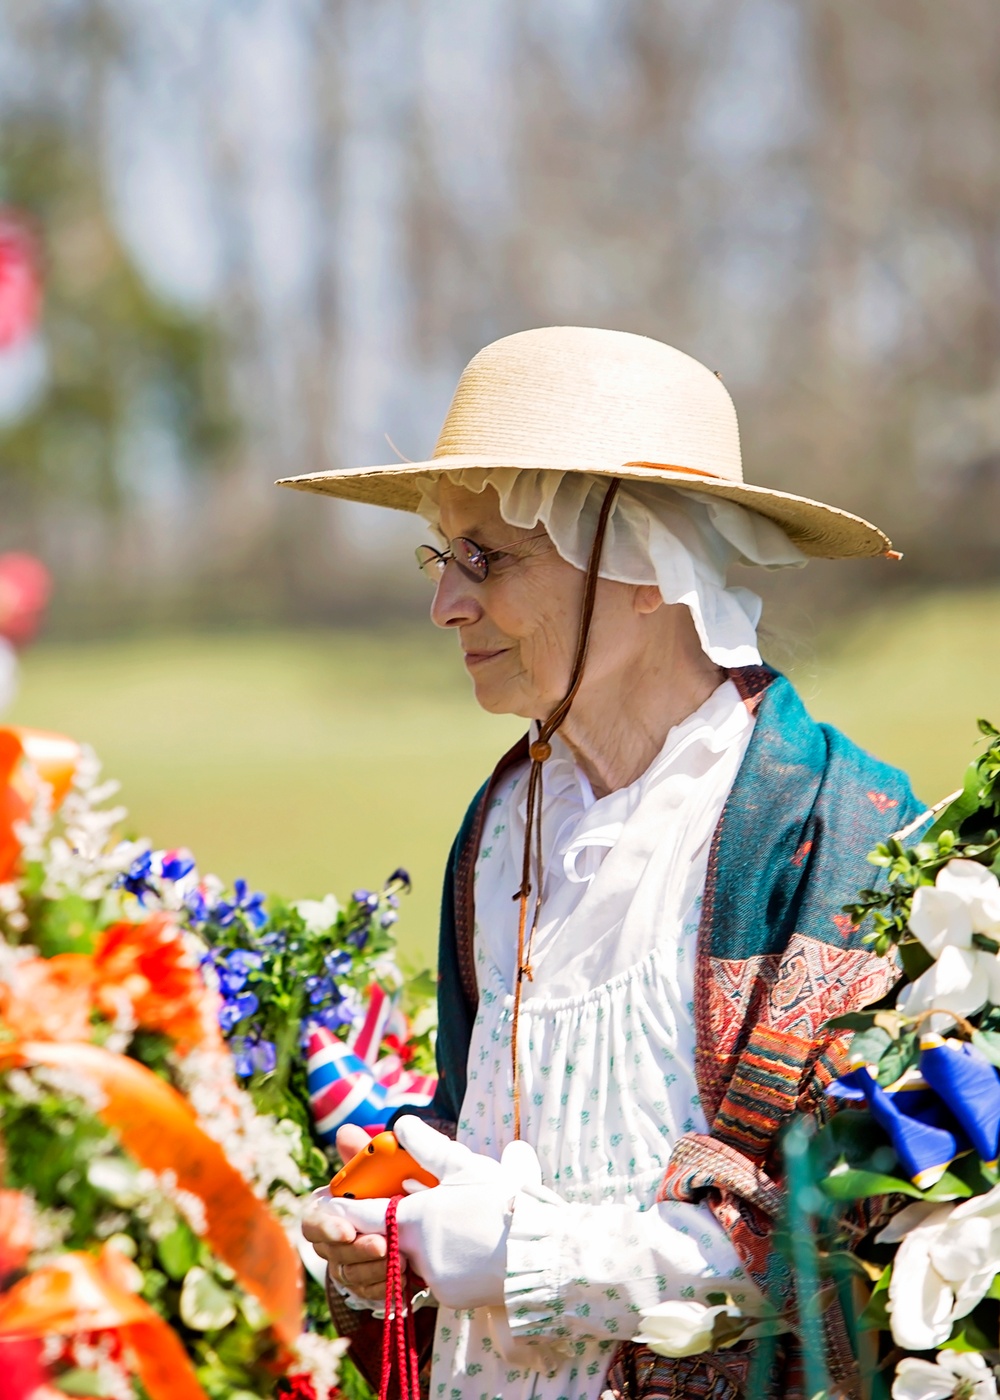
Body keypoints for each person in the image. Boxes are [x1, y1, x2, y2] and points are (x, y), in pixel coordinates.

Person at [294, 327, 920, 1400]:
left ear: (644, 564)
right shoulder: (499, 826)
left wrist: (524, 1259)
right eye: (442, 556)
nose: (445, 603)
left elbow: (840, 1242)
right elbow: (481, 1125)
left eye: (487, 557)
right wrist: (388, 1225)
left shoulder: (831, 835)